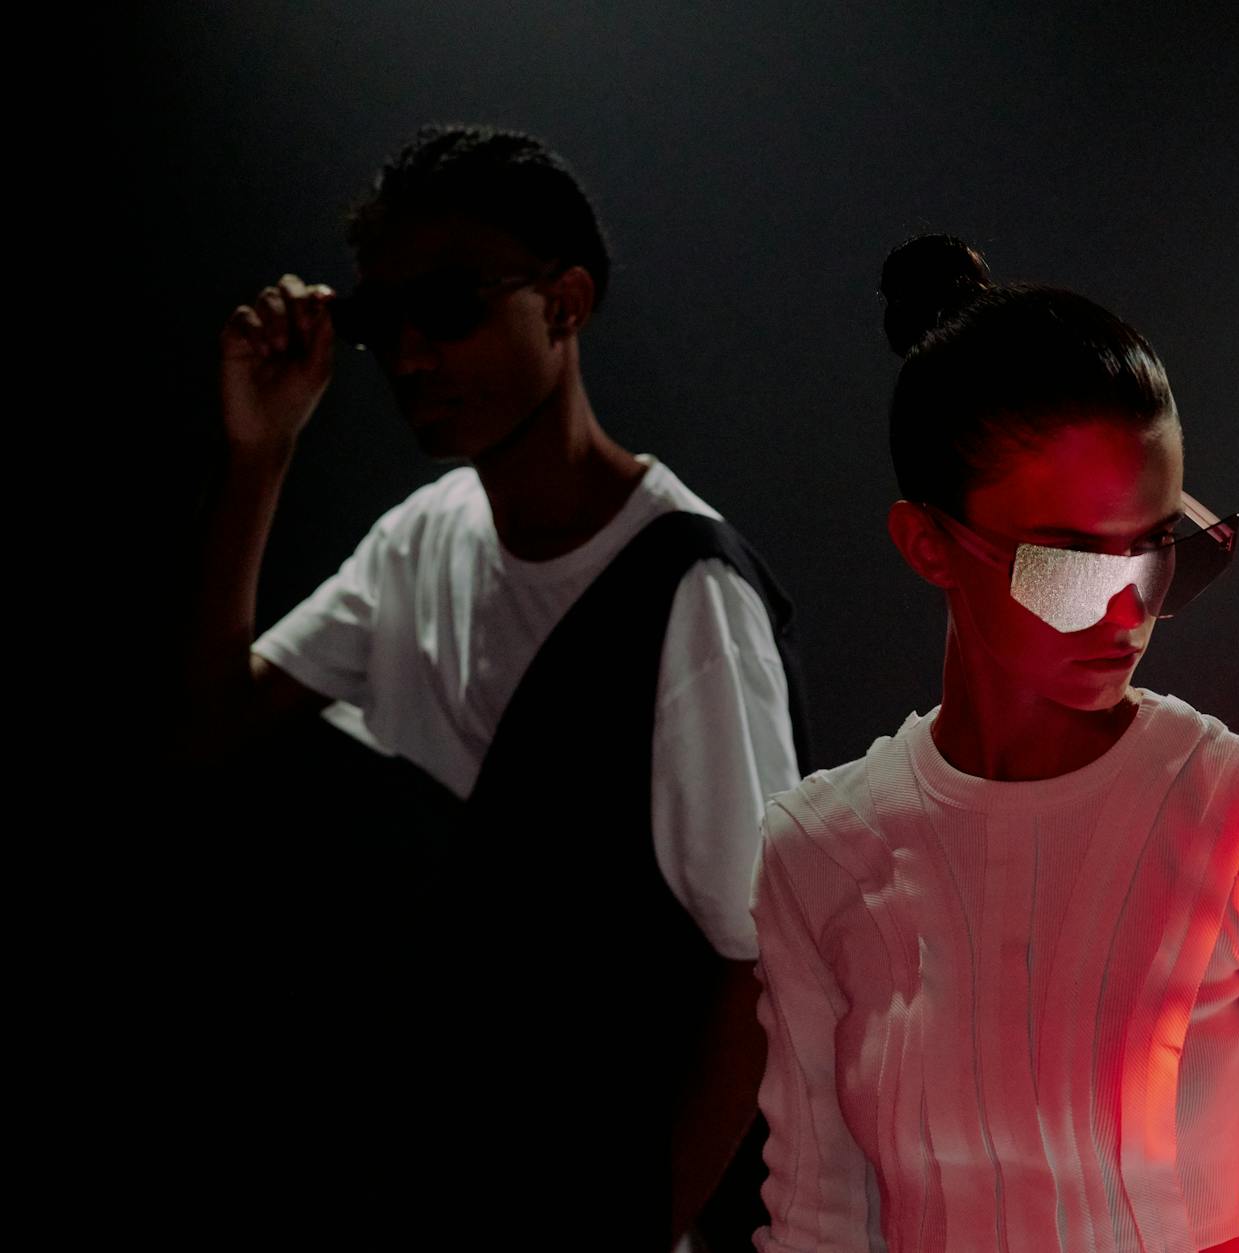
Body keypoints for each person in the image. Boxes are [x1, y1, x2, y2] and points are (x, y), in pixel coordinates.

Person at [182, 124, 803, 1241]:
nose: (412, 353)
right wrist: (259, 454)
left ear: (565, 303)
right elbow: (207, 724)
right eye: (383, 321)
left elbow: (757, 969)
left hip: (599, 1176)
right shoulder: (426, 538)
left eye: (453, 305)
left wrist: (649, 1220)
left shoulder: (689, 591)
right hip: (446, 1160)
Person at [749, 235, 1239, 1252]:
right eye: (1067, 563)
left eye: (1158, 555)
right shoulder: (819, 853)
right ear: (926, 544)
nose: (1125, 613)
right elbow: (814, 1225)